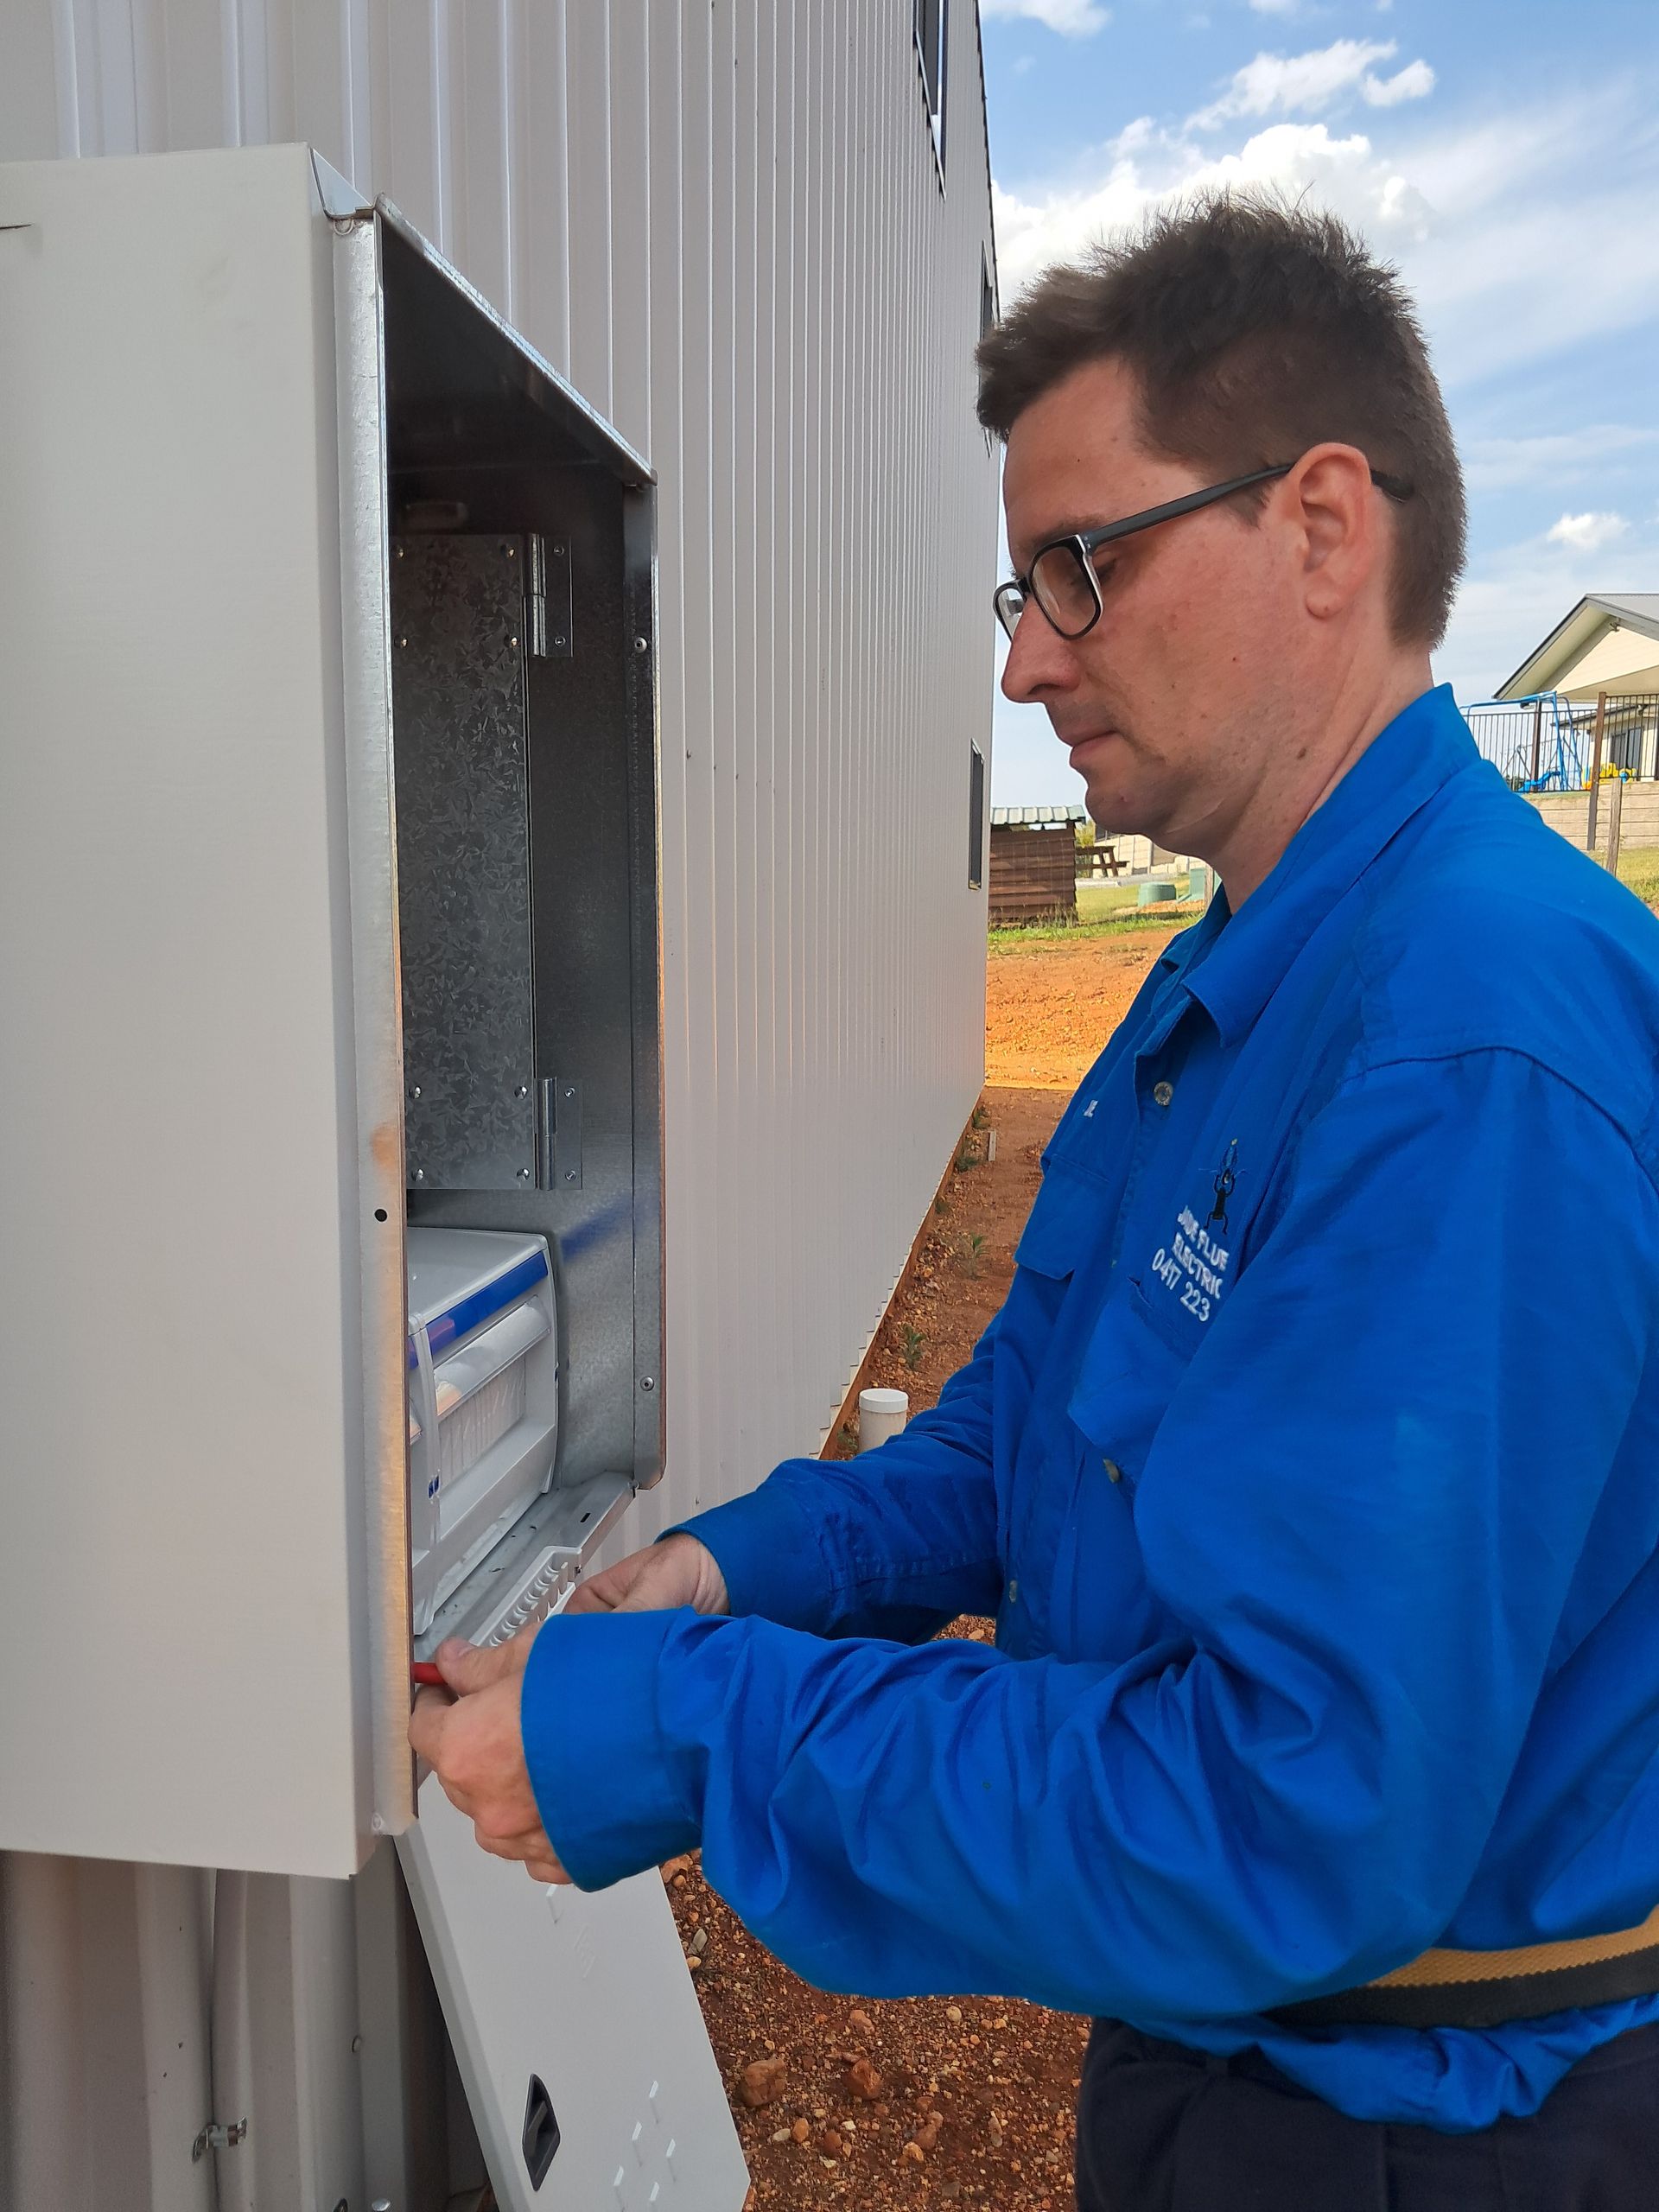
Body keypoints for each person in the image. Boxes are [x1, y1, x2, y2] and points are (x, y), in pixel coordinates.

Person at [410, 195, 1659, 2209]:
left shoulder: (1470, 1043)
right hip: (1253, 2071)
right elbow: (1024, 1440)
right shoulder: (1245, 976)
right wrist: (737, 1576)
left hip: (1436, 2130)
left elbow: (1287, 1814)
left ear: (1325, 528)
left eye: (1078, 568)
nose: (1020, 664)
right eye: (1018, 589)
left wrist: (688, 1726)